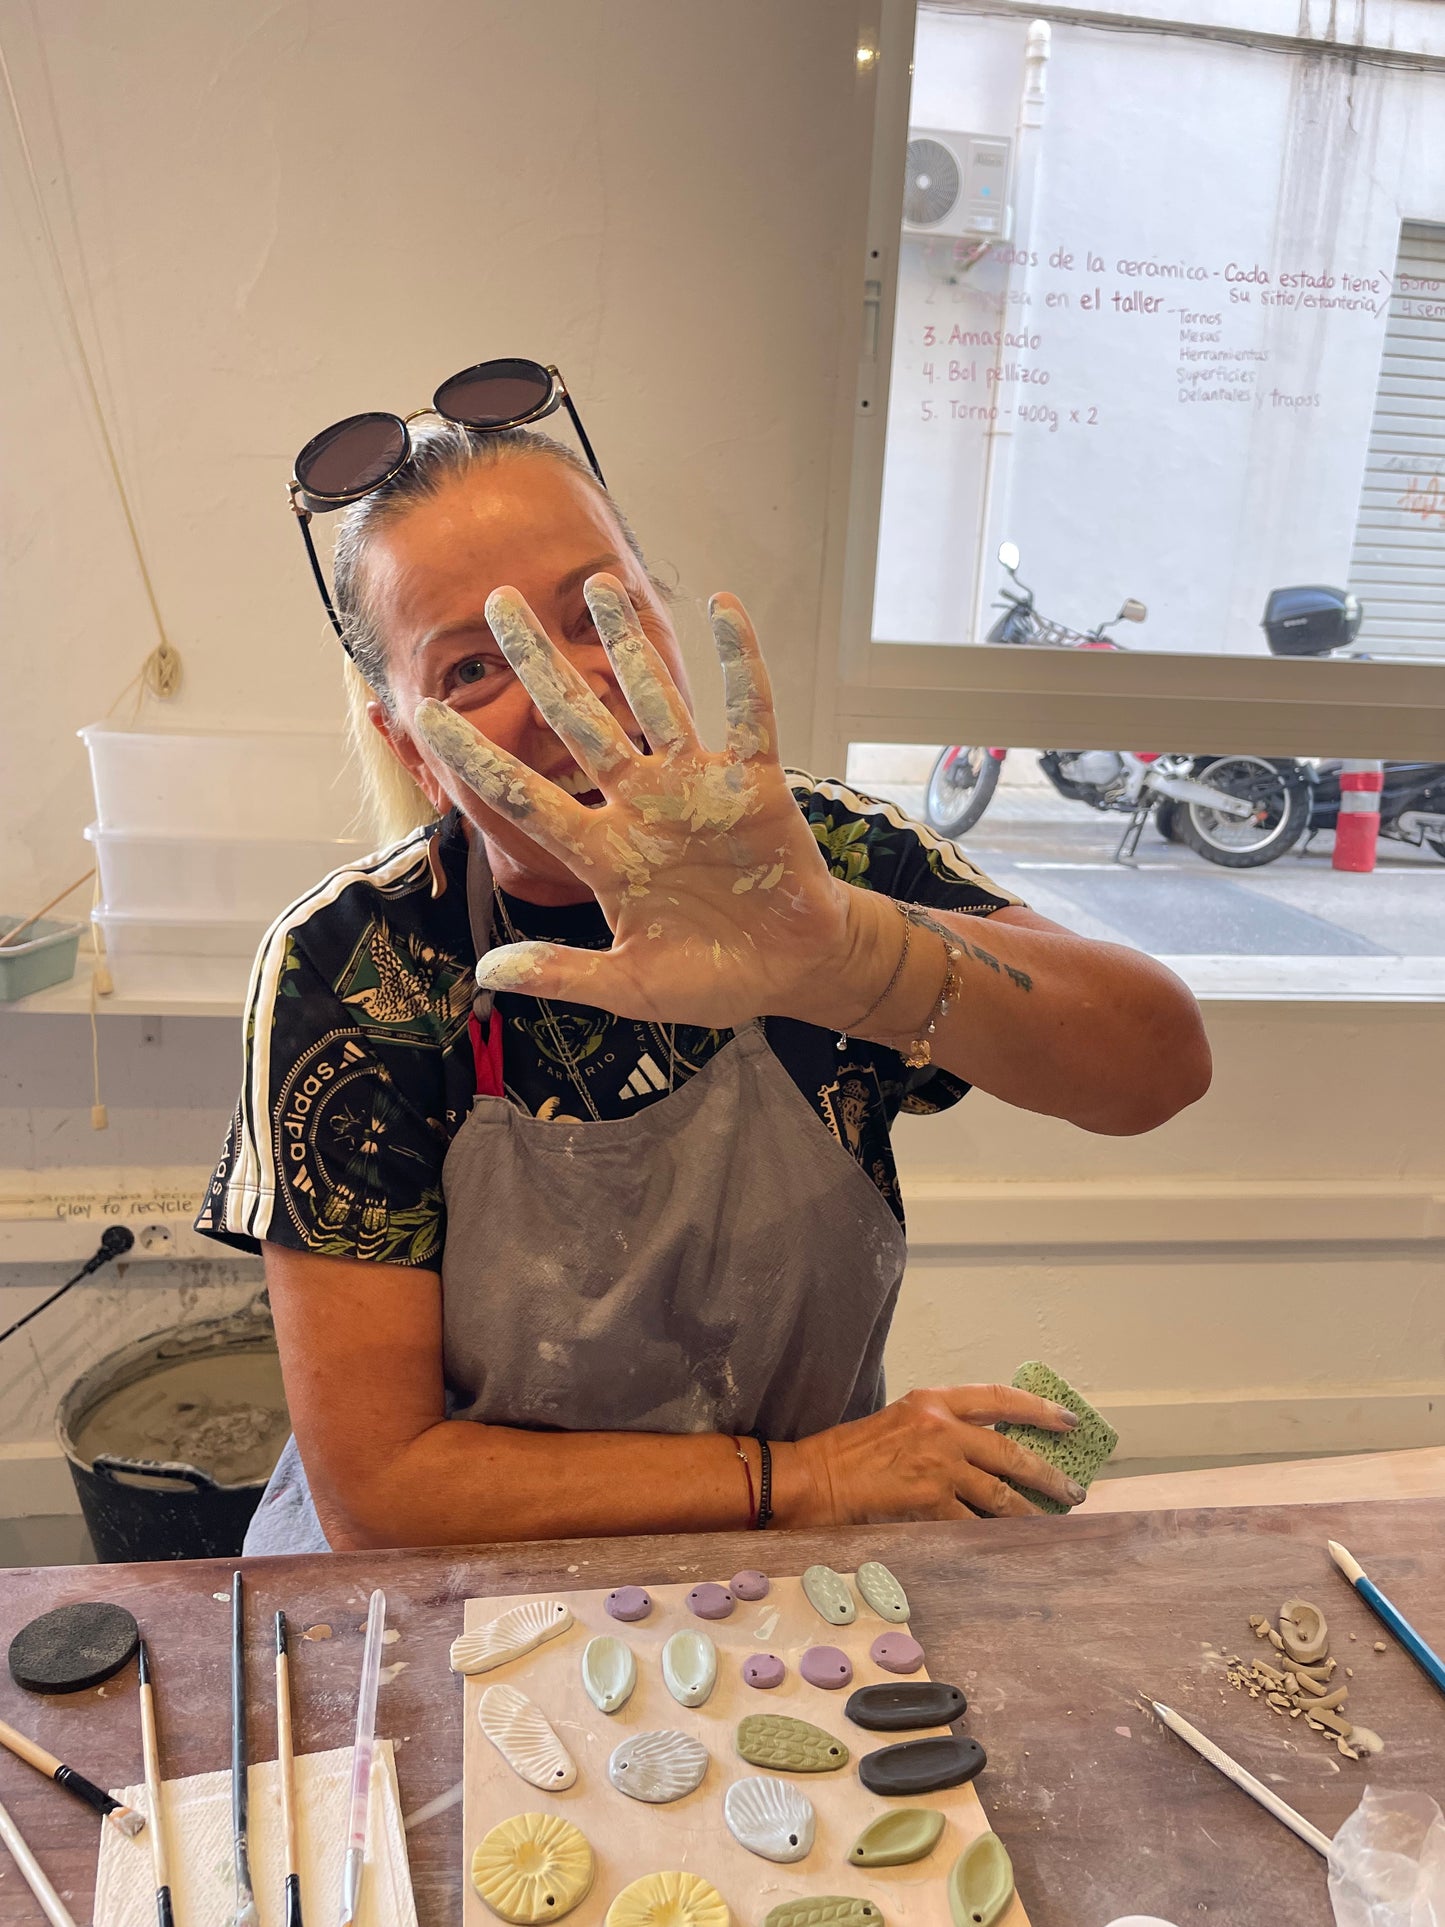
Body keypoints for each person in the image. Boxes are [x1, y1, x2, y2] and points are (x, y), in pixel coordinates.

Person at [196, 368, 1211, 1555]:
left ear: (663, 622)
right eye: (471, 669)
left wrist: (844, 955)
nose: (565, 688)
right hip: (445, 1595)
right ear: (409, 748)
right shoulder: (357, 965)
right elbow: (383, 1491)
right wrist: (804, 1481)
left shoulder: (820, 856)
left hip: (782, 1573)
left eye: (596, 615)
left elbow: (1155, 1069)